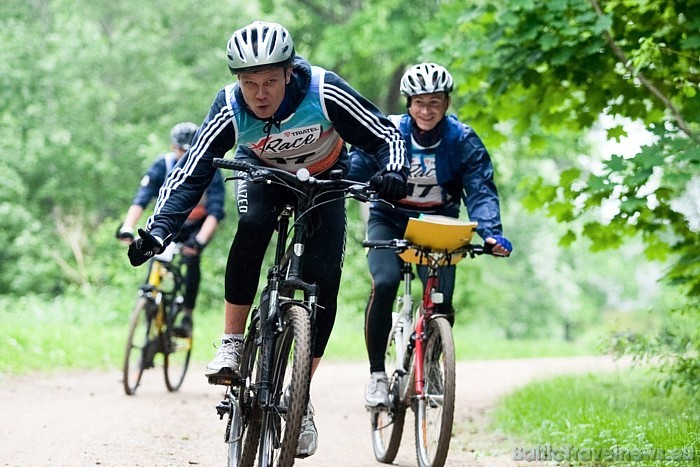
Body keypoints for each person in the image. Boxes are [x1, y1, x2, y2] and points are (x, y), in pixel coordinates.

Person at [126, 21, 408, 457]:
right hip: (262, 174)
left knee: (324, 279)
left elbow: (386, 134)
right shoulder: (229, 105)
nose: (259, 94)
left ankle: (301, 397)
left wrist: (394, 170)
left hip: (325, 177)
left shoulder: (323, 90)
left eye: (270, 82)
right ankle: (233, 345)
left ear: (289, 74)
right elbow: (191, 172)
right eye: (249, 83)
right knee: (253, 226)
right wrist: (158, 230)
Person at [348, 62, 513, 408]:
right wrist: (359, 186)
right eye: (420, 103)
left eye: (435, 103)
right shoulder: (388, 131)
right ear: (408, 104)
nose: (426, 110)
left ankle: (434, 359)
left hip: (438, 223)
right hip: (389, 219)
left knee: (441, 300)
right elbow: (359, 166)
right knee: (386, 282)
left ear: (447, 104)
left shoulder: (462, 140)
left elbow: (480, 190)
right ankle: (377, 374)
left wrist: (492, 233)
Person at [117, 122, 226, 337]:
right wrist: (127, 227)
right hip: (169, 224)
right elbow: (142, 197)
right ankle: (150, 309)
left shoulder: (210, 169)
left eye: (189, 150)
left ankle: (187, 315)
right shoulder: (162, 165)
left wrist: (200, 241)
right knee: (154, 255)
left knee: (191, 260)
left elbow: (215, 211)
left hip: (196, 227)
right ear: (172, 147)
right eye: (180, 150)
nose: (183, 155)